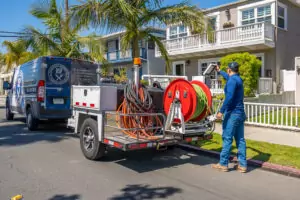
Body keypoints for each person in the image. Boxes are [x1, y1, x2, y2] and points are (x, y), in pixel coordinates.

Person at [212, 62, 247, 173]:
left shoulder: (232, 81)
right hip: (240, 113)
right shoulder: (237, 79)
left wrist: (221, 111)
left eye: (226, 70)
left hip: (232, 113)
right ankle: (243, 165)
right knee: (240, 139)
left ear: (229, 70)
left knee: (227, 138)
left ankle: (223, 164)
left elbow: (229, 97)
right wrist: (219, 71)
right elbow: (228, 77)